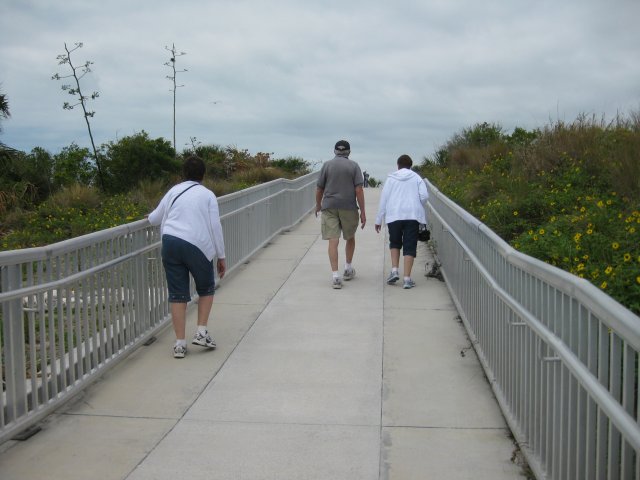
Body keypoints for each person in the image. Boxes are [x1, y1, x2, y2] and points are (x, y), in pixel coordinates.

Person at [148, 155, 226, 358]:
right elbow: (215, 226)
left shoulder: (174, 191)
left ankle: (180, 344)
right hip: (197, 244)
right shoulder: (208, 195)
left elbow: (153, 219)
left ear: (183, 173)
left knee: (177, 294)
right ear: (203, 174)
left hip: (170, 243)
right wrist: (221, 256)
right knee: (206, 288)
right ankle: (201, 332)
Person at [315, 139, 366, 289]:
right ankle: (348, 269)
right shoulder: (354, 166)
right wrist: (363, 211)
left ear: (334, 151)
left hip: (329, 206)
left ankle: (335, 276)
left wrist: (318, 205)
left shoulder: (327, 165)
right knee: (350, 237)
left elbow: (319, 189)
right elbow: (359, 190)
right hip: (348, 207)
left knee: (333, 240)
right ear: (349, 152)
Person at [374, 154, 428, 289]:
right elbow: (424, 196)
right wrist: (418, 205)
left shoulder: (391, 179)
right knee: (410, 245)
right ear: (411, 166)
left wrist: (378, 219)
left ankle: (394, 271)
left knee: (395, 242)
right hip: (412, 215)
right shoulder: (417, 178)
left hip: (394, 214)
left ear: (398, 166)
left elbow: (384, 199)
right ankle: (407, 279)